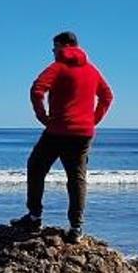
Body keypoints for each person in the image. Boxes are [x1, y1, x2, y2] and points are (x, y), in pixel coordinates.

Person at [14, 31, 113, 243]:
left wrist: (43, 117)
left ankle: (34, 217)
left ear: (64, 46)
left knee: (36, 167)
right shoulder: (92, 70)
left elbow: (37, 89)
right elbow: (107, 96)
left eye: (54, 47)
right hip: (82, 134)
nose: (53, 52)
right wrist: (92, 120)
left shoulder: (58, 67)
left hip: (58, 131)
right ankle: (76, 228)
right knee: (76, 179)